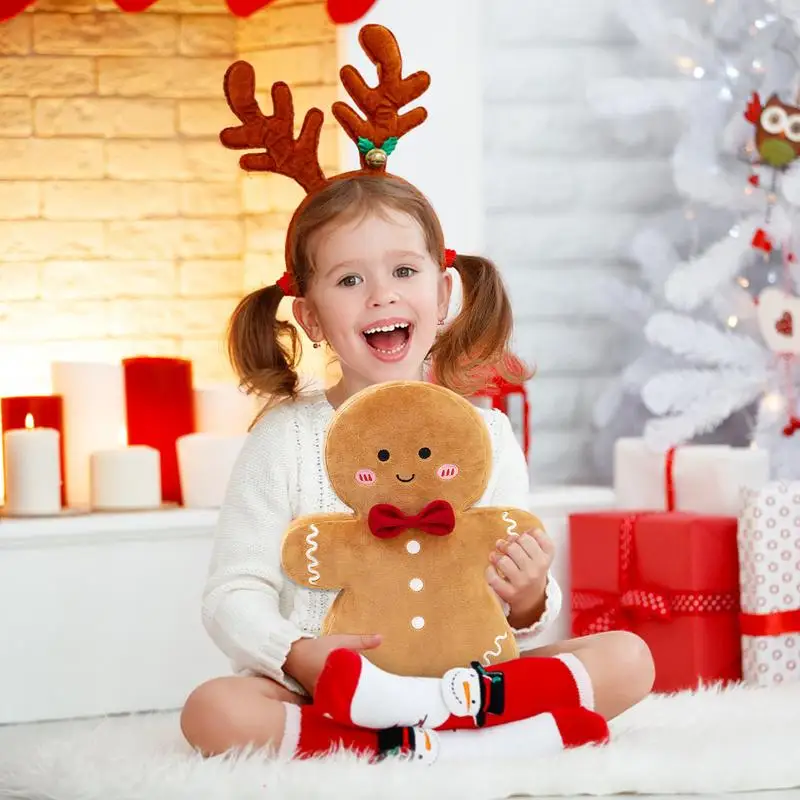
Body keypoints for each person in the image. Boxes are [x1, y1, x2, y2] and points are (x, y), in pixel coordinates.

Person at [180, 24, 654, 765]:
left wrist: (530, 597)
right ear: (309, 316)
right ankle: (427, 735)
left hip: (468, 674)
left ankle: (408, 734)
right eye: (348, 280)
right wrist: (301, 654)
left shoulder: (484, 434)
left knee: (629, 657)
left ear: (441, 291)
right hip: (334, 685)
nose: (380, 295)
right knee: (214, 711)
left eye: (403, 272)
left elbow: (517, 608)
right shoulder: (286, 438)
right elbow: (231, 593)